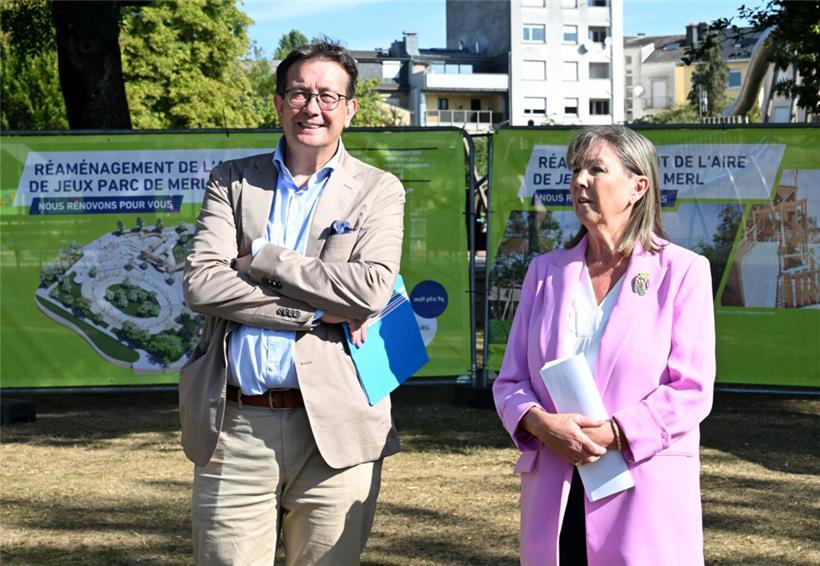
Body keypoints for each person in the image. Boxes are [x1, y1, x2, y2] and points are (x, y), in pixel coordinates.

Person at [180, 39, 405, 565]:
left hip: (338, 426)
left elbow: (369, 289)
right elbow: (202, 285)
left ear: (350, 109)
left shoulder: (378, 189)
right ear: (279, 103)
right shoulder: (232, 181)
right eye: (300, 93)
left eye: (329, 96)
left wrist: (262, 257)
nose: (313, 107)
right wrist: (314, 312)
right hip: (234, 426)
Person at [493, 126, 715, 565]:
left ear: (638, 186)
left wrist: (616, 432)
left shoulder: (683, 271)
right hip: (556, 487)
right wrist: (539, 424)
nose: (580, 180)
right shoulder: (545, 272)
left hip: (642, 486)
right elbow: (510, 381)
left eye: (596, 169)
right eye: (576, 169)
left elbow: (690, 388)